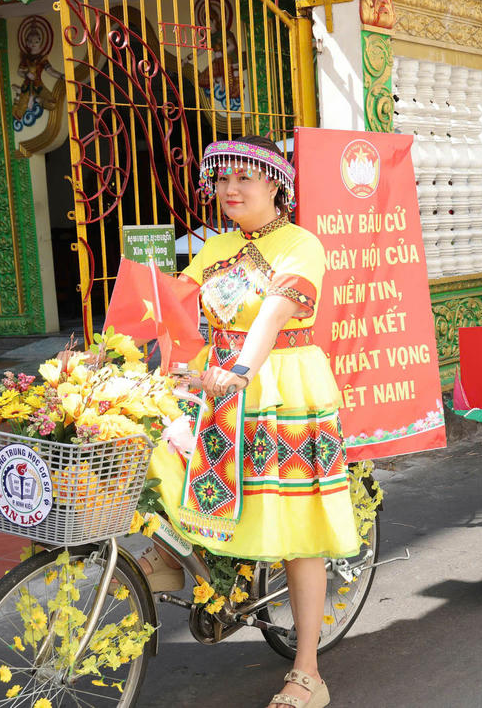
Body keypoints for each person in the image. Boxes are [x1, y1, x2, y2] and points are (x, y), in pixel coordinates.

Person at [144, 136, 355, 708]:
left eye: (245, 178)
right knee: (161, 448)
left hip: (281, 386)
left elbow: (274, 313)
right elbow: (175, 311)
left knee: (295, 530)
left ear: (277, 186)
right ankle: (169, 558)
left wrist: (239, 367)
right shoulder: (218, 249)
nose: (230, 190)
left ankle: (308, 672)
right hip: (220, 382)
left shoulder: (301, 245)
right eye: (222, 180)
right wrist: (125, 356)